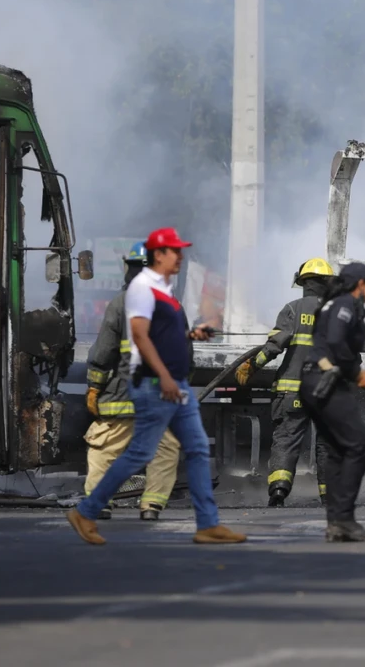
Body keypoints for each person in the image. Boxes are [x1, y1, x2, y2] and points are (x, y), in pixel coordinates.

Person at [67, 227, 245, 546]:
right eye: (174, 252)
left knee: (183, 447)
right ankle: (101, 508)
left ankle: (204, 523)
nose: (180, 257)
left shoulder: (155, 300)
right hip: (149, 384)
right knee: (148, 450)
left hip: (157, 388)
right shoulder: (137, 299)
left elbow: (104, 352)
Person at [84, 243, 181, 521]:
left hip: (122, 394)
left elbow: (103, 351)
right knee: (165, 449)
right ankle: (151, 505)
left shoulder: (120, 303)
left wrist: (94, 386)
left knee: (104, 448)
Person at [236, 257, 333, 507]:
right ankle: (329, 495)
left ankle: (278, 491)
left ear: (304, 283)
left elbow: (274, 346)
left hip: (293, 393)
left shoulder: (292, 309)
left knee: (287, 441)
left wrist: (252, 365)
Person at [300, 262, 365, 543]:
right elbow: (335, 341)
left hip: (314, 381)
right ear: (361, 284)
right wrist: (356, 372)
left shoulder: (334, 303)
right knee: (359, 446)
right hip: (326, 382)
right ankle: (343, 519)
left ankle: (336, 523)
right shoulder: (345, 304)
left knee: (336, 450)